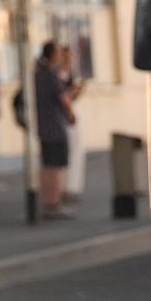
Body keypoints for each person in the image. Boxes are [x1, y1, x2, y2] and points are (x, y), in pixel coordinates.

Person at [30, 41, 76, 218]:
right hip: (55, 126)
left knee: (48, 165)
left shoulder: (39, 73)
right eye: (58, 52)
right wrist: (71, 113)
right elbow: (62, 97)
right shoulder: (50, 74)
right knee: (55, 166)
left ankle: (49, 201)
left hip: (45, 125)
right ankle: (53, 202)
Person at [55, 42, 86, 203]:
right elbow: (62, 96)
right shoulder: (57, 74)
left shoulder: (71, 72)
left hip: (72, 110)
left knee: (76, 150)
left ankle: (73, 186)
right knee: (68, 150)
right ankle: (64, 187)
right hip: (65, 114)